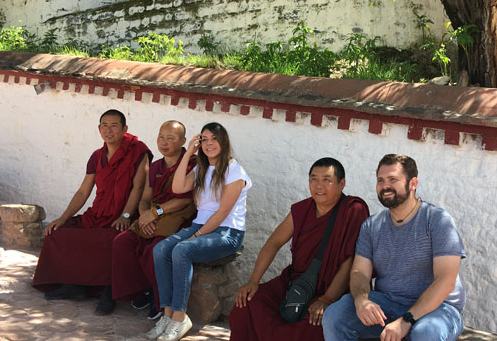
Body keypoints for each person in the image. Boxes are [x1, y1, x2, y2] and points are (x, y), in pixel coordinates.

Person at [322, 154, 466, 341]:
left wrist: (406, 321)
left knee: (426, 333)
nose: (385, 186)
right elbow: (359, 272)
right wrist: (362, 301)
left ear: (413, 183)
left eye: (393, 179)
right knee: (335, 315)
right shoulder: (371, 225)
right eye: (380, 180)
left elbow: (445, 280)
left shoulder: (437, 220)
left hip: (437, 308)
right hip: (387, 302)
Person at [229, 157, 370, 341]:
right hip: (296, 282)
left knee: (310, 327)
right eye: (314, 179)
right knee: (246, 304)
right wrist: (253, 281)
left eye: (326, 180)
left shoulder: (352, 210)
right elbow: (273, 242)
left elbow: (349, 262)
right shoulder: (302, 209)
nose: (319, 185)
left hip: (331, 289)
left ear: (341, 183)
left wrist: (327, 299)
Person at [32, 109, 152, 315]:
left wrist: (125, 216)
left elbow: (138, 187)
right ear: (99, 129)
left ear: (124, 129)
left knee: (114, 239)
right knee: (58, 234)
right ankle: (75, 285)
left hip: (126, 214)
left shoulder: (138, 151)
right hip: (98, 214)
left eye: (114, 126)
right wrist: (63, 217)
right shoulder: (97, 156)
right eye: (104, 125)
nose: (109, 130)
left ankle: (110, 290)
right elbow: (83, 191)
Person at [146, 122, 250, 341]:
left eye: (214, 139)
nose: (209, 144)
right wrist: (189, 154)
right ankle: (167, 314)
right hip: (200, 227)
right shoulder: (201, 168)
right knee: (161, 249)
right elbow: (178, 187)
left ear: (223, 142)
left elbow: (222, 213)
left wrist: (196, 236)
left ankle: (180, 317)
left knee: (182, 251)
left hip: (227, 233)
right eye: (204, 139)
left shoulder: (234, 170)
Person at [110, 120, 198, 319]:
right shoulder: (156, 165)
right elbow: (145, 199)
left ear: (183, 141)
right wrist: (143, 216)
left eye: (170, 138)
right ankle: (142, 289)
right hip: (152, 216)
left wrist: (154, 213)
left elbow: (184, 201)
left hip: (178, 218)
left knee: (154, 249)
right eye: (161, 137)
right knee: (122, 242)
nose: (164, 142)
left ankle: (159, 301)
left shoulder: (191, 164)